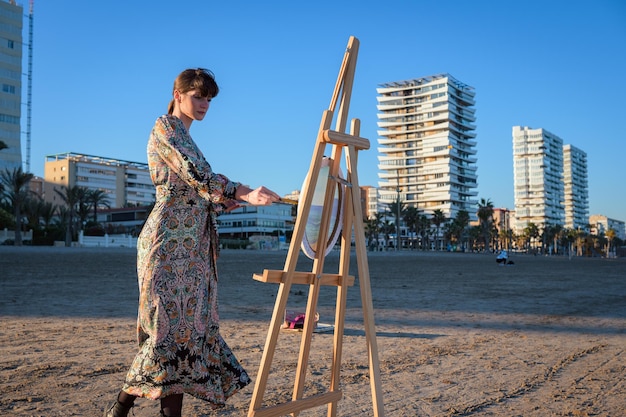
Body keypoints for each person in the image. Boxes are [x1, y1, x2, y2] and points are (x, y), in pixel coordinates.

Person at [104, 68, 280, 417]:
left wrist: (237, 197)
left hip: (194, 248)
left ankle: (119, 409)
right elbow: (198, 175)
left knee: (184, 334)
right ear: (178, 93)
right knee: (167, 335)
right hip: (167, 245)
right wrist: (241, 191)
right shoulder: (166, 127)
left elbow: (203, 186)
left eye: (209, 99)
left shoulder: (188, 137)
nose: (203, 104)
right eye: (198, 96)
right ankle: (123, 408)